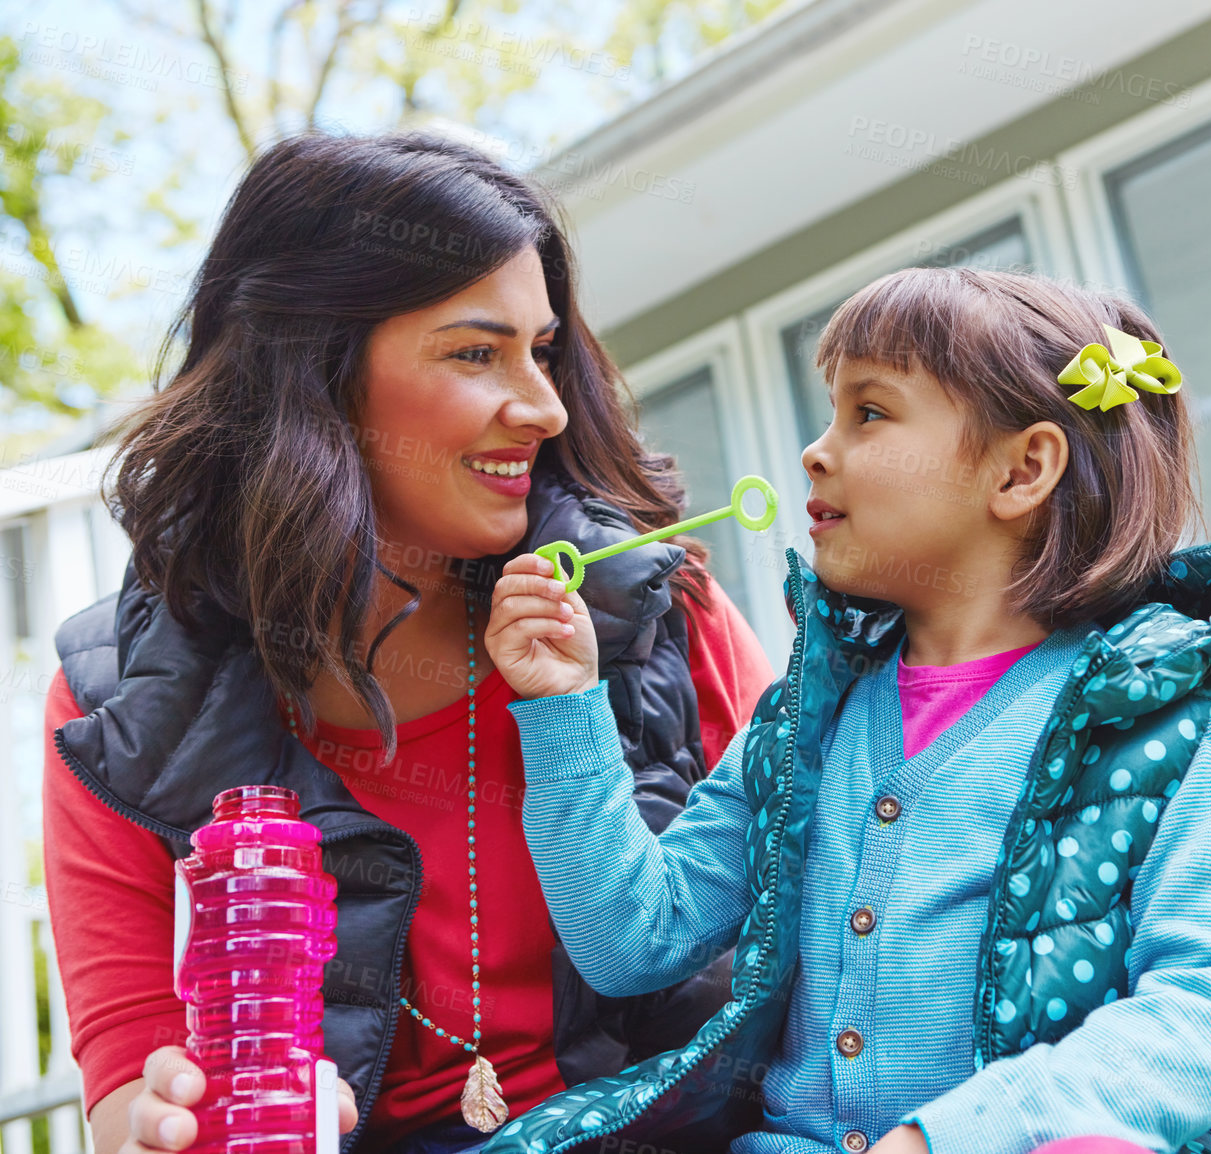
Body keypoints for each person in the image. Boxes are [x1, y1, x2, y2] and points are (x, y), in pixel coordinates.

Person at [41, 130, 774, 1154]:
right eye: (477, 352)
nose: (545, 405)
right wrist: (165, 1117)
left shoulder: (653, 613)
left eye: (544, 350)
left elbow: (839, 906)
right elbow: (129, 1063)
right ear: (316, 377)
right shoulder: (117, 702)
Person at [480, 266, 1211, 1154]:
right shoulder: (805, 721)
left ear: (1023, 470)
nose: (816, 449)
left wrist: (940, 1141)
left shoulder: (1167, 723)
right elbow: (630, 942)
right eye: (830, 411)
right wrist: (565, 707)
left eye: (868, 413)